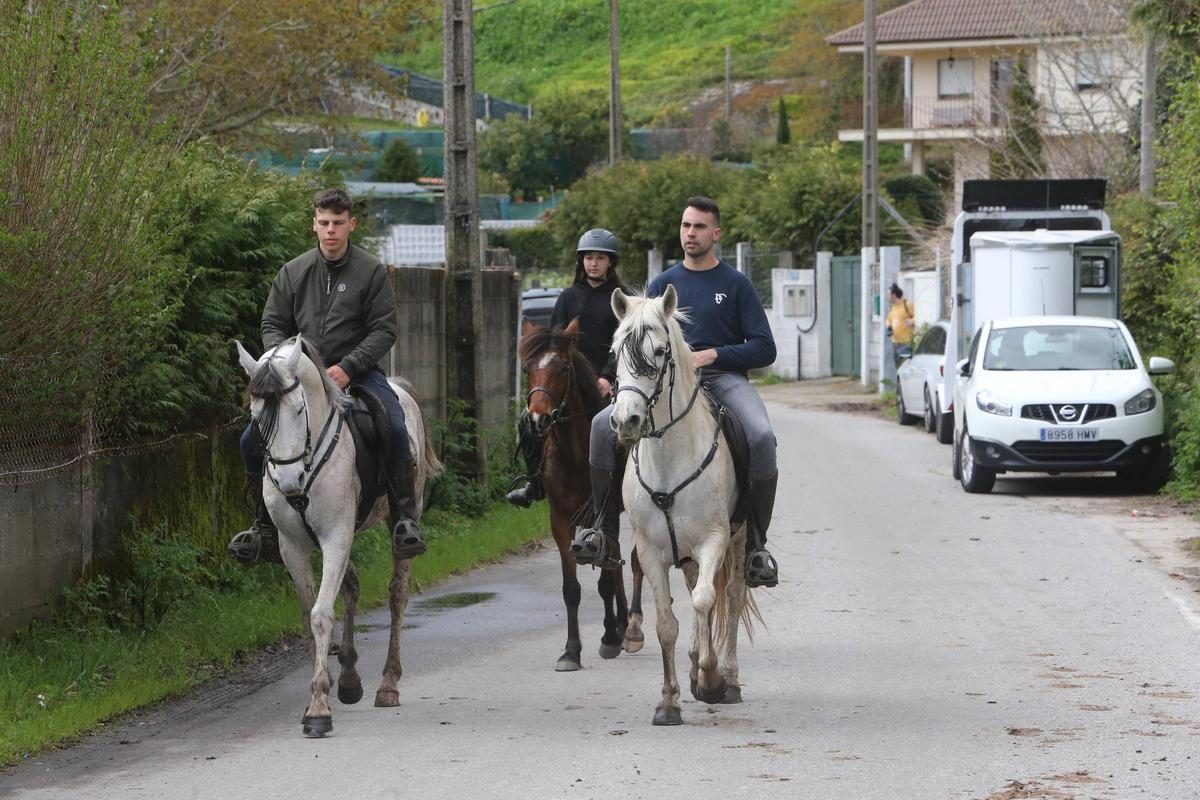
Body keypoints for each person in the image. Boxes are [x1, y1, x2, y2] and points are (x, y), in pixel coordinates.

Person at [570, 197, 780, 588]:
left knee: (762, 437)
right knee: (602, 427)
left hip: (723, 379)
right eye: (685, 226)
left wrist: (715, 353)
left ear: (715, 233)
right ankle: (602, 530)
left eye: (699, 227)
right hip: (665, 384)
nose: (690, 233)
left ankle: (756, 546)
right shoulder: (662, 284)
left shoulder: (736, 285)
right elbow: (638, 343)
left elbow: (765, 348)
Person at [227, 188, 426, 565]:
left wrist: (349, 367)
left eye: (337, 223)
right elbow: (272, 324)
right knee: (249, 440)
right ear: (313, 225)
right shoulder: (293, 271)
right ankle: (264, 527)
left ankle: (403, 520)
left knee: (395, 427)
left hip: (358, 373)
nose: (330, 230)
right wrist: (288, 360)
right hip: (297, 377)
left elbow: (384, 329)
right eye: (323, 223)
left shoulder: (371, 271)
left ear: (351, 224)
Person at [506, 228, 629, 507]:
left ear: (611, 262)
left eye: (600, 258)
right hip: (570, 376)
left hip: (611, 378)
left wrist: (608, 377)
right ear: (581, 261)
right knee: (529, 422)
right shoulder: (568, 297)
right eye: (588, 258)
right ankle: (534, 482)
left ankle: (627, 483)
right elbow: (554, 342)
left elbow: (624, 343)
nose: (593, 263)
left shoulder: (622, 298)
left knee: (629, 424)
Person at [885, 283, 915, 369]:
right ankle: (899, 383)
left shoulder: (907, 305)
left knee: (905, 368)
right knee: (898, 368)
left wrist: (911, 321)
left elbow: (919, 317)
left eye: (888, 295)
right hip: (895, 343)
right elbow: (888, 319)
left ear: (894, 295)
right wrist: (888, 327)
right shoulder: (893, 307)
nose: (887, 297)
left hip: (906, 343)